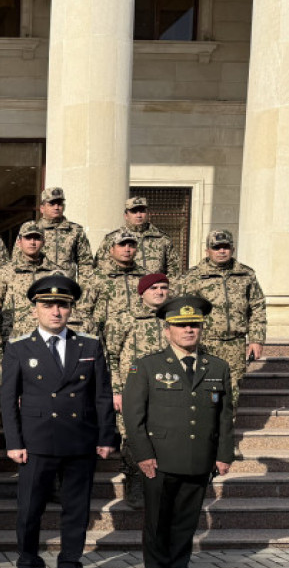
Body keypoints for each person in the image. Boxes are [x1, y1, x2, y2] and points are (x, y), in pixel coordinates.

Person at [0, 275, 119, 568]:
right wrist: (13, 442)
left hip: (79, 440)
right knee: (30, 510)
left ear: (71, 309)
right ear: (35, 308)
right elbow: (8, 399)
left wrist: (106, 436)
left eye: (62, 305)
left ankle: (70, 567)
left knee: (77, 510)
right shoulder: (19, 347)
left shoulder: (89, 345)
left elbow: (102, 395)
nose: (56, 311)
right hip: (36, 443)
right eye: (48, 305)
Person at [122, 295, 234, 568]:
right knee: (158, 520)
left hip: (199, 458)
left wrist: (224, 455)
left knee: (186, 520)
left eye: (194, 325)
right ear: (167, 329)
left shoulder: (217, 367)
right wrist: (142, 455)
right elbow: (134, 417)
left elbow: (225, 416)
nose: (189, 330)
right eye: (181, 325)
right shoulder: (146, 366)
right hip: (159, 460)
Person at [177, 229, 267, 409]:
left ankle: (226, 434)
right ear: (208, 250)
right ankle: (207, 434)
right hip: (204, 343)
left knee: (231, 391)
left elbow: (257, 307)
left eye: (225, 247)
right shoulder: (192, 277)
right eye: (216, 247)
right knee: (205, 390)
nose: (221, 251)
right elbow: (180, 312)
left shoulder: (246, 275)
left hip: (235, 343)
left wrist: (256, 339)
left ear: (232, 249)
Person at [106, 273, 171, 508]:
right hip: (131, 389)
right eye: (154, 288)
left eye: (164, 287)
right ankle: (134, 483)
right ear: (142, 292)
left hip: (166, 390)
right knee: (132, 437)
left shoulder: (174, 317)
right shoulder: (123, 318)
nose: (160, 292)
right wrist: (116, 390)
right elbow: (111, 356)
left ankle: (158, 484)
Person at [0, 221, 63, 345]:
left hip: (48, 338)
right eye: (28, 238)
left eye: (37, 238)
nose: (32, 242)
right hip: (14, 339)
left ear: (43, 242)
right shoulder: (5, 271)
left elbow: (65, 306)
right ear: (19, 241)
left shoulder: (54, 273)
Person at [78, 230, 146, 339]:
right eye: (122, 245)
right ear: (111, 249)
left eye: (131, 246)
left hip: (138, 338)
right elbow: (83, 312)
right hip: (106, 339)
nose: (127, 249)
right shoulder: (96, 277)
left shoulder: (145, 277)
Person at [96, 197, 182, 278]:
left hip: (153, 289)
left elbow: (174, 268)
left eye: (142, 211)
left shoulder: (162, 238)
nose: (139, 215)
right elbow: (100, 266)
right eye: (134, 211)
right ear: (126, 215)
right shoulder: (113, 238)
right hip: (123, 289)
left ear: (148, 214)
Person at [34, 186, 92, 282]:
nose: (56, 207)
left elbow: (85, 262)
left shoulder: (75, 230)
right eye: (52, 204)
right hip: (39, 287)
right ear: (42, 208)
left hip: (67, 286)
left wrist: (83, 288)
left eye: (59, 204)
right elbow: (21, 261)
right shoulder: (33, 230)